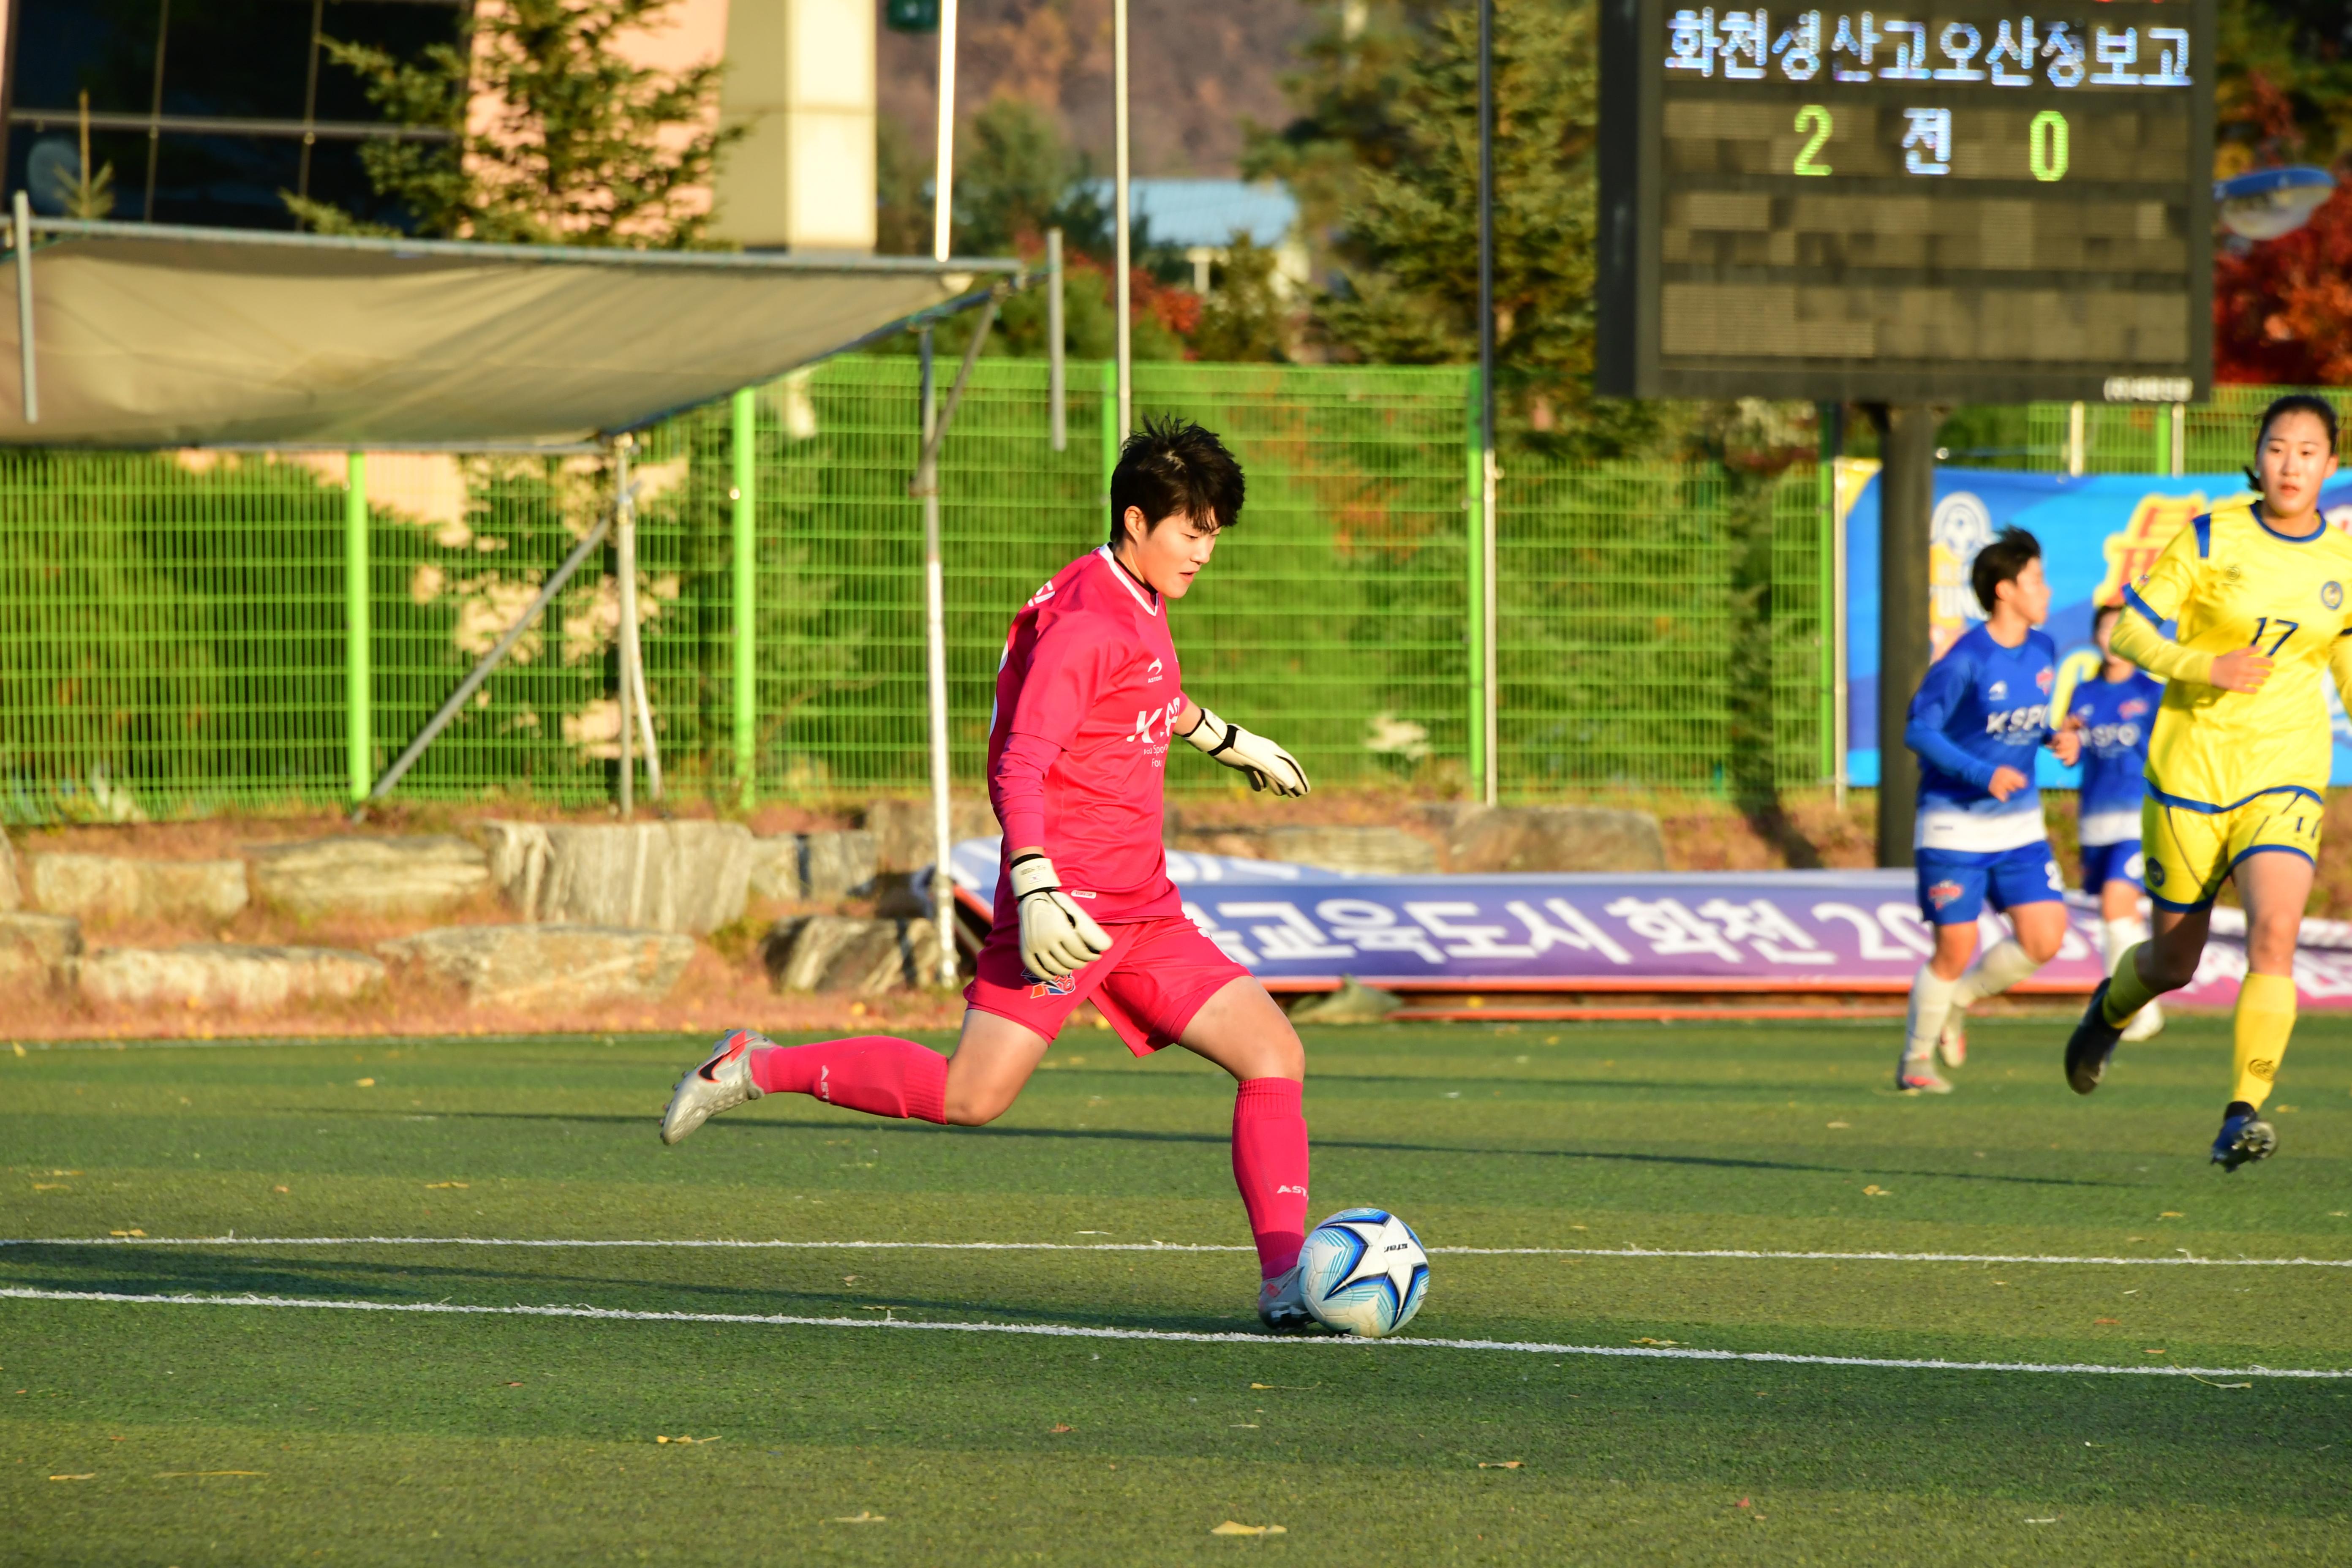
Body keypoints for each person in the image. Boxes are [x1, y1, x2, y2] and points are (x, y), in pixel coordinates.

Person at [657, 415, 1328, 1325]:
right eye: (1192, 530)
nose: (1205, 550)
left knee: (1272, 1051)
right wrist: (1038, 883)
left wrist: (1224, 737)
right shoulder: (1088, 624)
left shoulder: (1128, 594)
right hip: (1068, 908)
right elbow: (1021, 760)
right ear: (1138, 519)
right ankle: (755, 1065)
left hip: (1144, 908)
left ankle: (1286, 1283)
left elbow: (1147, 694)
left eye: (1214, 532)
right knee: (970, 1095)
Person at [2064, 394, 2352, 1170]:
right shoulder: (2208, 534)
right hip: (2189, 774)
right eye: (2277, 447)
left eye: (2307, 450)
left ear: (2330, 464)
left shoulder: (2342, 562)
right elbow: (2128, 629)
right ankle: (2109, 1008)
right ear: (2255, 456)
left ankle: (2241, 1111)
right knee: (2173, 963)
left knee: (2273, 934)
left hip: (2285, 776)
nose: (2290, 464)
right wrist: (2205, 665)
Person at [1896, 527, 2082, 1094]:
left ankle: (1956, 1003)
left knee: (2046, 937)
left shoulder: (2045, 649)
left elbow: (2024, 722)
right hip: (1954, 823)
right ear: (2005, 590)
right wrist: (1982, 773)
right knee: (1954, 947)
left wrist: (2057, 735)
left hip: (2019, 825)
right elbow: (1918, 730)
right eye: (2036, 580)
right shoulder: (1966, 660)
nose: (2046, 591)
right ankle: (1915, 1063)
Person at [2066, 602, 2166, 1043]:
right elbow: (2075, 750)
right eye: (2104, 628)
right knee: (2119, 915)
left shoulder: (2149, 692)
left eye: (2119, 628)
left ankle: (2130, 1008)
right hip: (2096, 820)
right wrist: (2065, 740)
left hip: (2138, 819)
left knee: (2115, 904)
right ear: (2094, 637)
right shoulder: (2083, 694)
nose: (2111, 636)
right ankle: (2142, 999)